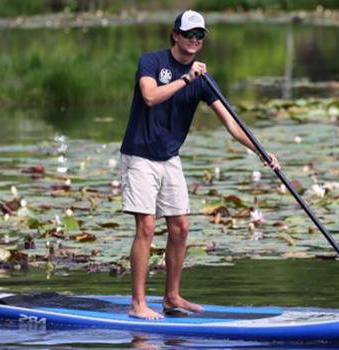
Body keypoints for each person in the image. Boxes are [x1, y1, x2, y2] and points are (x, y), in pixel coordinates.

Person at [119, 10, 280, 320]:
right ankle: (138, 303)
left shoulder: (203, 78)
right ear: (175, 35)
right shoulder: (152, 61)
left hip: (170, 157)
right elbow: (150, 96)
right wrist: (185, 79)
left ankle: (171, 297)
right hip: (139, 155)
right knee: (147, 226)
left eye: (200, 35)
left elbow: (232, 124)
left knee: (180, 227)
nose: (194, 40)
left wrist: (261, 151)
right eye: (189, 34)